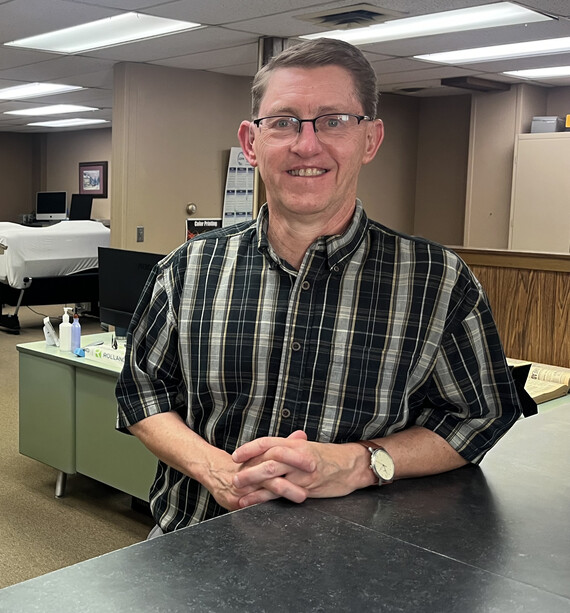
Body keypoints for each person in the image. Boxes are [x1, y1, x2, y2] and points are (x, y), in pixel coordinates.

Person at [115, 37, 523, 536]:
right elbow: (141, 394)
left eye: (334, 121)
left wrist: (361, 463)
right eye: (283, 122)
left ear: (370, 140)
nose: (306, 145)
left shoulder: (438, 283)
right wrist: (215, 469)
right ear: (251, 142)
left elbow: (478, 418)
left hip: (358, 561)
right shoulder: (187, 270)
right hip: (192, 542)